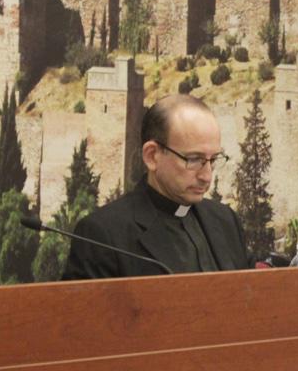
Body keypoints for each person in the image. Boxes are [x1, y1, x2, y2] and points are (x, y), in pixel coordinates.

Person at [63, 94, 250, 279]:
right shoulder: (103, 236)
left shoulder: (225, 220)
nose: (206, 176)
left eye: (214, 159)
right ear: (152, 156)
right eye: (194, 160)